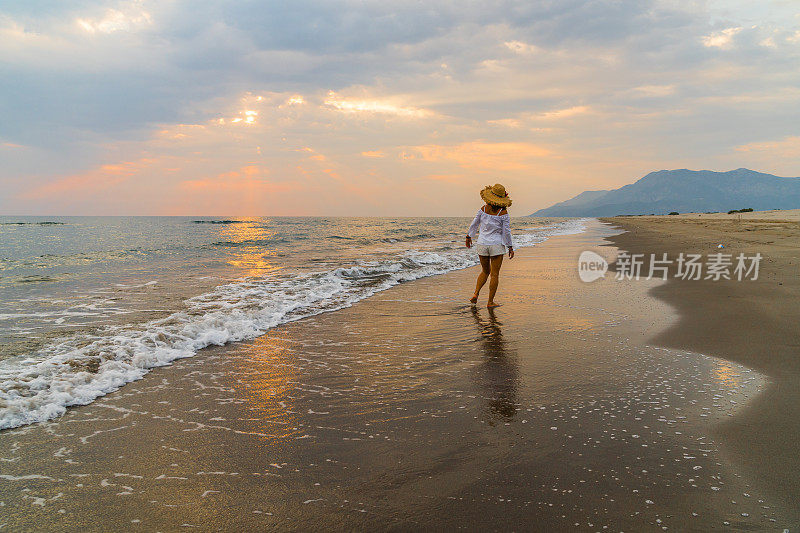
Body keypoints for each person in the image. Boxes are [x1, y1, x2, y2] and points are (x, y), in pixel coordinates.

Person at [466, 183, 514, 308]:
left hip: (482, 244)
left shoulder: (483, 209)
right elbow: (506, 231)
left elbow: (474, 223)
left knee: (484, 271)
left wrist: (469, 236)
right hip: (496, 245)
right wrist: (510, 246)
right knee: (494, 274)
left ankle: (476, 294)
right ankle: (490, 302)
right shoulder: (503, 213)